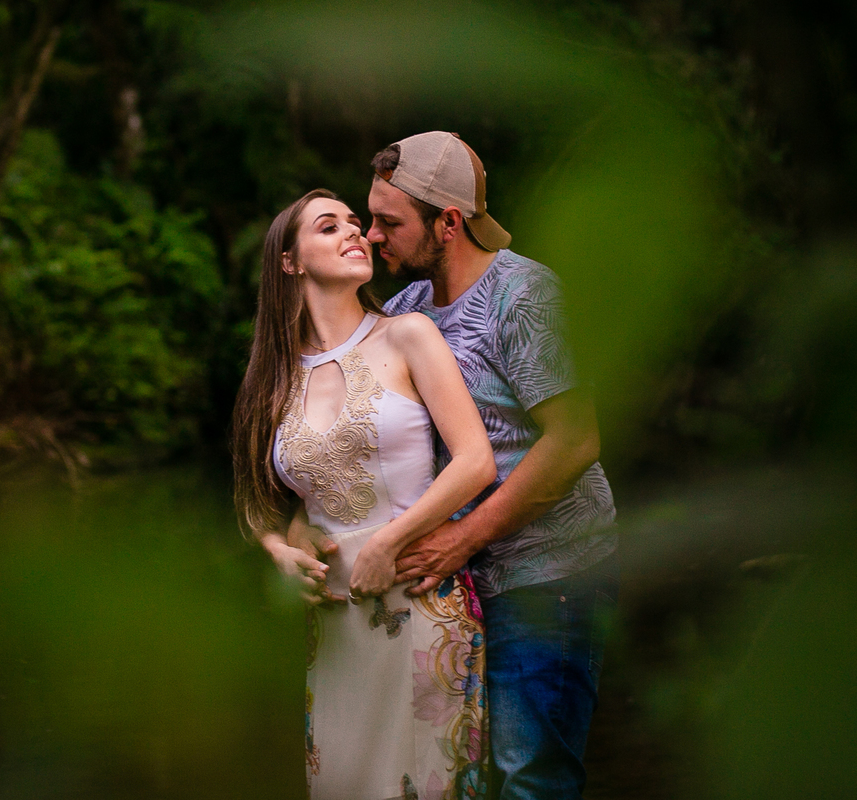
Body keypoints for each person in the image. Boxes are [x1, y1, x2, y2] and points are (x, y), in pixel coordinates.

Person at [297, 132, 619, 799]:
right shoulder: (409, 310)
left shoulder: (523, 297)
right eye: (370, 218)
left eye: (390, 222)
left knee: (531, 777)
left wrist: (461, 539)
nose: (374, 236)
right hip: (456, 595)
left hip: (546, 578)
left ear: (448, 223)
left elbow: (576, 440)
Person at [231, 188, 496, 800]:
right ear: (289, 262)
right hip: (335, 628)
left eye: (356, 223)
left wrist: (390, 540)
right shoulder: (273, 380)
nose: (356, 232)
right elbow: (263, 507)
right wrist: (278, 551)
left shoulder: (408, 335)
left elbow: (475, 461)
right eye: (330, 227)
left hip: (421, 604)